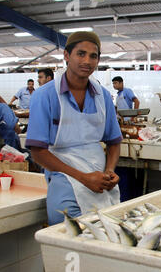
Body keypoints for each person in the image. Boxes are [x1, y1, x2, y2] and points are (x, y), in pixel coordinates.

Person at [25, 31, 123, 226]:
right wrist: (83, 178)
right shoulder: (45, 96)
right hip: (63, 172)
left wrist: (110, 170)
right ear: (67, 56)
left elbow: (114, 141)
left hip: (99, 174)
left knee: (109, 226)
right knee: (67, 224)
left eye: (93, 56)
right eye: (81, 54)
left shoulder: (102, 96)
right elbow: (37, 151)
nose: (87, 60)